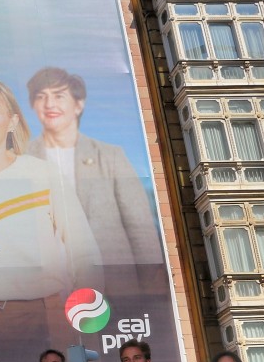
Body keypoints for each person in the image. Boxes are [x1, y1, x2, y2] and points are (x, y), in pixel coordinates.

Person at [0, 78, 102, 362]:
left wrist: (88, 325)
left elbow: (83, 252)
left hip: (42, 314)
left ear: (12, 121)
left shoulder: (40, 173)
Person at [24, 67, 162, 270]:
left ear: (78, 105)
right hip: (47, 281)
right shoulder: (21, 159)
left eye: (59, 96)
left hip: (114, 278)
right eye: (41, 97)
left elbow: (140, 226)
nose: (49, 104)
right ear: (33, 105)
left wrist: (151, 278)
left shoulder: (110, 156)